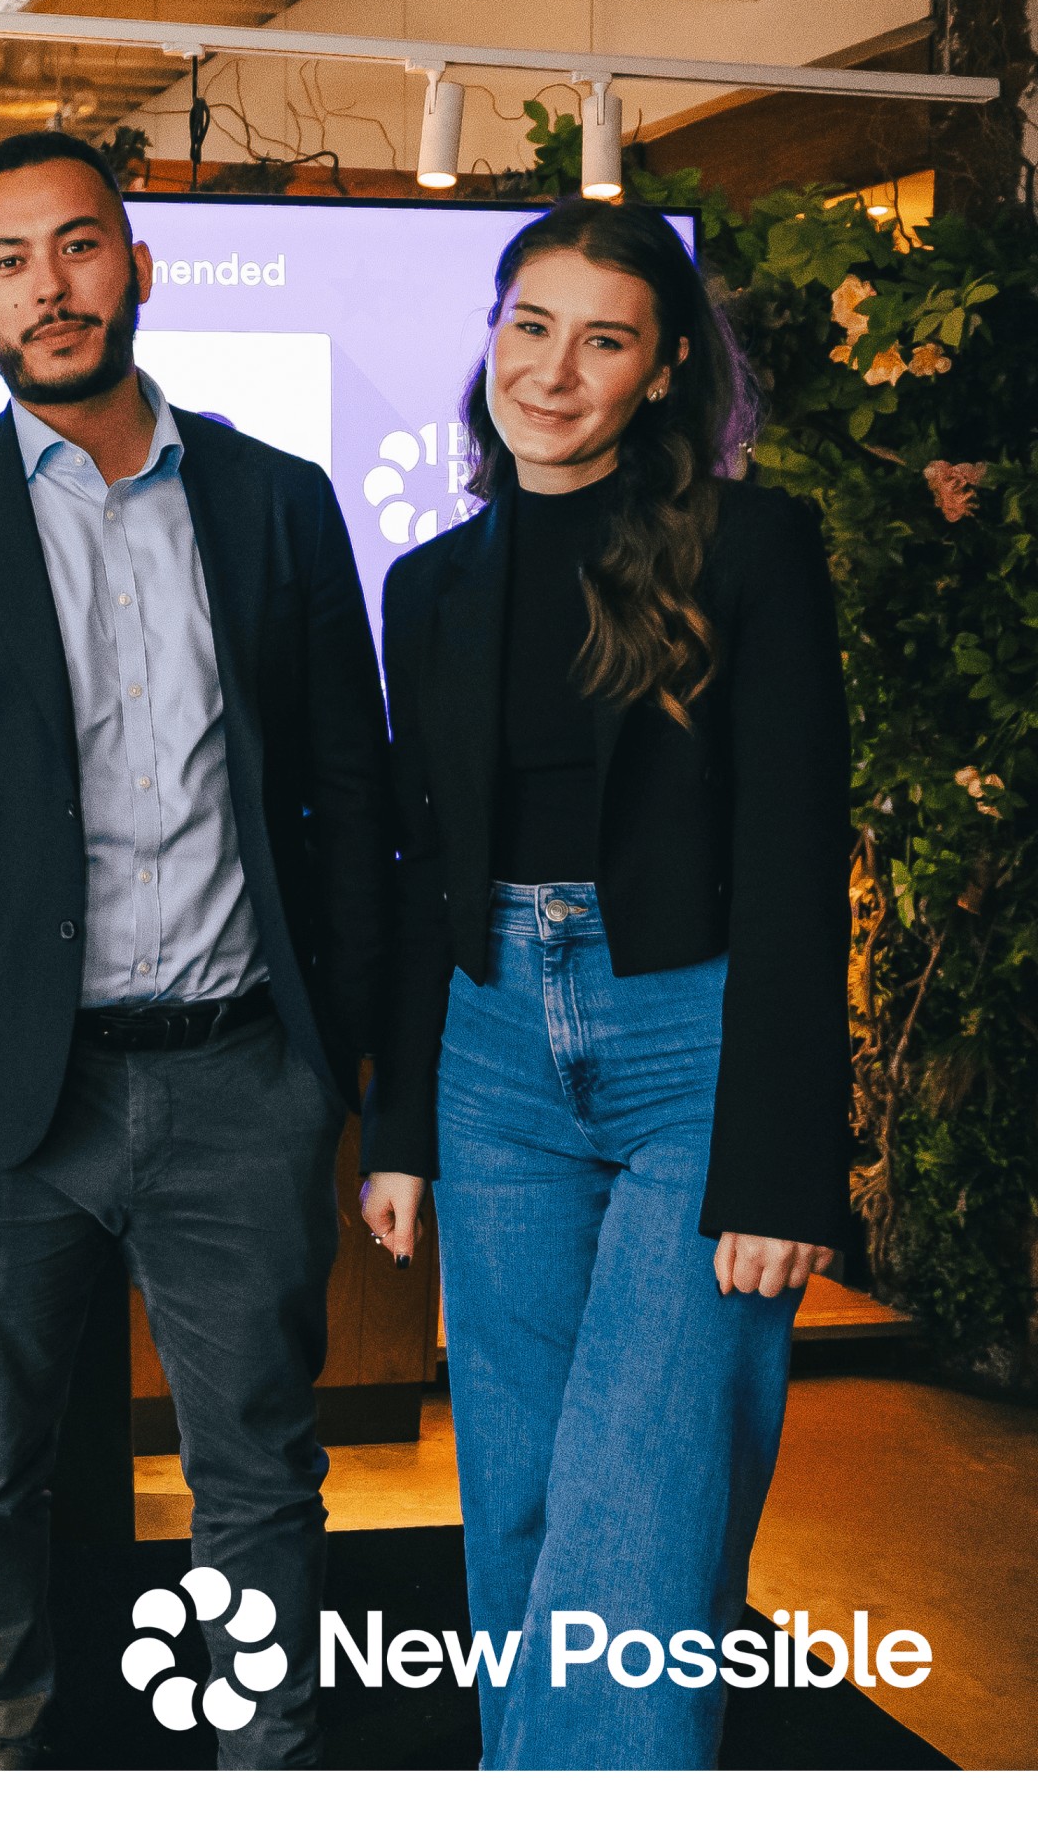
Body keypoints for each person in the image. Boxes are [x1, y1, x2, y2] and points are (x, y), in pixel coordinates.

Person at [0, 131, 394, 1769]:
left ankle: (264, 1776)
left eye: (77, 247)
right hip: (11, 1098)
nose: (48, 287)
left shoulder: (276, 499)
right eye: (7, 262)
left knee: (260, 1471)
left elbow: (348, 790)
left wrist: (343, 1060)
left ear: (137, 268)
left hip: (242, 1080)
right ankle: (0, 1766)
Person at [358, 200, 851, 1769]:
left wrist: (785, 1160)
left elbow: (797, 852)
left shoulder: (753, 549)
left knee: (643, 1493)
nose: (553, 370)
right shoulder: (428, 585)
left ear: (664, 371)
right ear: (492, 333)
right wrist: (399, 1127)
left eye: (605, 340)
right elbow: (422, 868)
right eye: (530, 325)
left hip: (690, 1043)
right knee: (515, 1492)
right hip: (492, 1050)